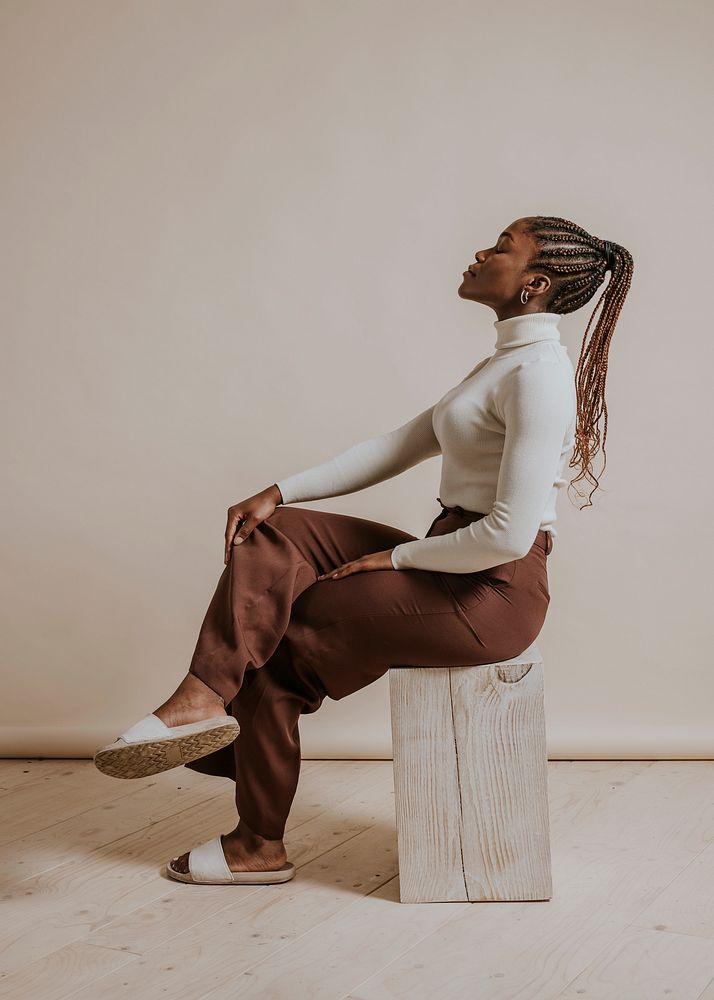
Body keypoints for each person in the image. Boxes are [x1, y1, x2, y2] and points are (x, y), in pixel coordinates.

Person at [95, 215, 634, 884]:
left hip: (489, 592)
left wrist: (399, 560)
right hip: (453, 560)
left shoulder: (538, 376)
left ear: (534, 283)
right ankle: (205, 696)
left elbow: (508, 536)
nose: (479, 250)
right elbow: (396, 447)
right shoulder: (504, 363)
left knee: (286, 638)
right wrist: (279, 490)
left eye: (502, 246)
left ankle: (257, 844)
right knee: (272, 532)